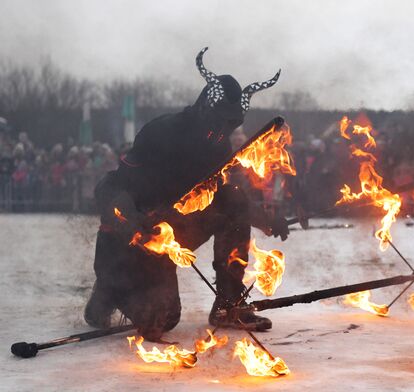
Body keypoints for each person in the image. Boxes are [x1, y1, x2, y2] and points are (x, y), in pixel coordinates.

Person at [84, 48, 288, 341]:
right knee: (164, 319)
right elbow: (112, 185)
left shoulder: (219, 149)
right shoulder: (162, 132)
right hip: (130, 239)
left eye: (232, 123)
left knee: (234, 199)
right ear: (206, 108)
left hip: (176, 229)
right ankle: (108, 292)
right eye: (221, 120)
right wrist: (132, 219)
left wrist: (265, 218)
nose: (225, 129)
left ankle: (229, 303)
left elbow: (221, 200)